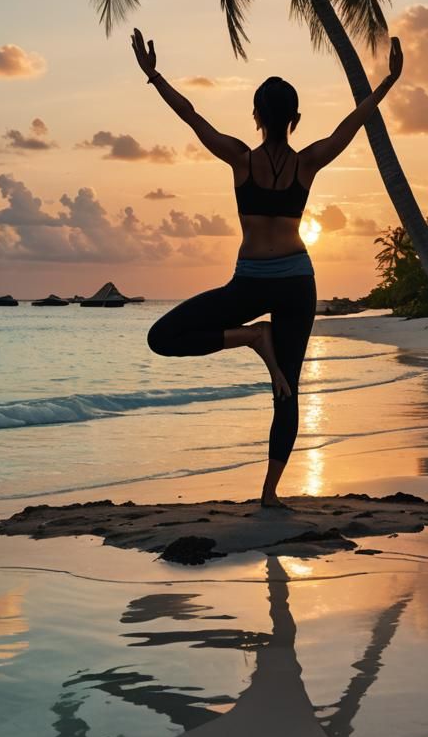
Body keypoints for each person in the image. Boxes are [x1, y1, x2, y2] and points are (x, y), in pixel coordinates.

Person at [134, 28, 403, 508]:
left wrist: (154, 75)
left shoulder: (240, 159)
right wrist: (386, 83)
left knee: (163, 338)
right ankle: (269, 492)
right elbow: (352, 124)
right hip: (297, 282)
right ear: (295, 119)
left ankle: (251, 338)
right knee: (289, 390)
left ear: (256, 116)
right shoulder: (308, 162)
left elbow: (192, 117)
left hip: (250, 284)